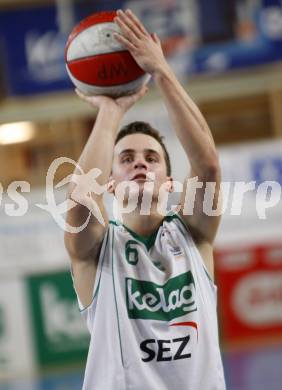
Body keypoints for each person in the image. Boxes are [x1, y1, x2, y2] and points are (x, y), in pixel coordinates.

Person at [64, 8, 226, 390]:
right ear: (111, 184)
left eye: (151, 159)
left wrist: (162, 71)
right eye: (127, 159)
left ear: (169, 182)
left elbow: (208, 166)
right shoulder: (95, 251)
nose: (140, 165)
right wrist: (110, 109)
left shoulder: (195, 237)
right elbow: (80, 199)